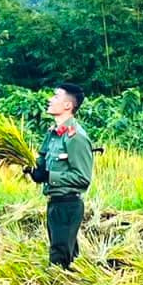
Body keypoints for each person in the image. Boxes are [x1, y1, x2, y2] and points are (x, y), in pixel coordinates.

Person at [25, 83, 94, 269]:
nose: (50, 100)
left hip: (68, 205)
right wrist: (35, 170)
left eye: (55, 96)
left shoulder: (76, 137)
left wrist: (49, 175)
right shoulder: (53, 134)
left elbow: (83, 177)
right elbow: (43, 160)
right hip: (55, 203)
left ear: (67, 106)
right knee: (67, 255)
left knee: (59, 257)